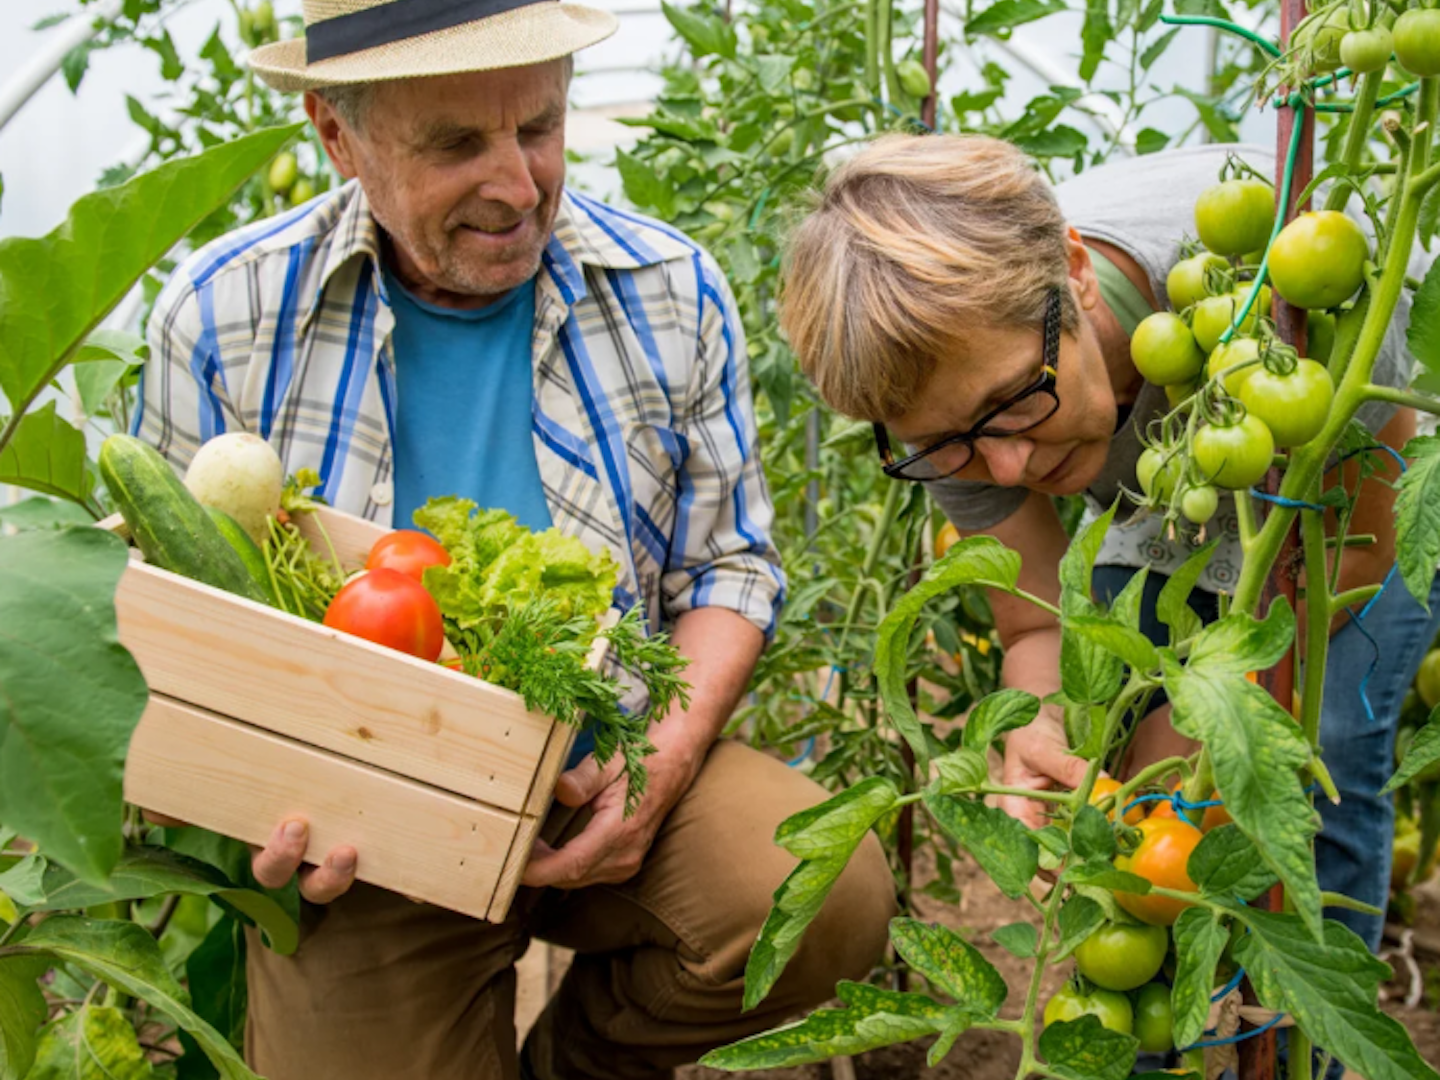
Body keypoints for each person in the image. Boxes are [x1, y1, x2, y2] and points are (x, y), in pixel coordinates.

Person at [133, 2, 895, 1077]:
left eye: (540, 125)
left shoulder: (667, 288)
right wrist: (258, 798)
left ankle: (576, 1066)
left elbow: (730, 564)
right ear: (336, 134)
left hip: (610, 775)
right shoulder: (224, 316)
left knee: (823, 891)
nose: (520, 183)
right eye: (455, 144)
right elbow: (175, 624)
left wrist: (658, 772)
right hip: (369, 837)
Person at [779, 133, 1440, 963]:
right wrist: (1042, 727)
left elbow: (1358, 560)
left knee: (1322, 751)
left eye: (1016, 402)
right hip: (1168, 491)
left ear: (1077, 272)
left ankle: (1316, 1029)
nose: (1009, 467)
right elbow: (1034, 625)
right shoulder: (947, 415)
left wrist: (1198, 722)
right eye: (949, 443)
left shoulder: (1305, 282)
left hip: (1350, 490)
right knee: (1125, 747)